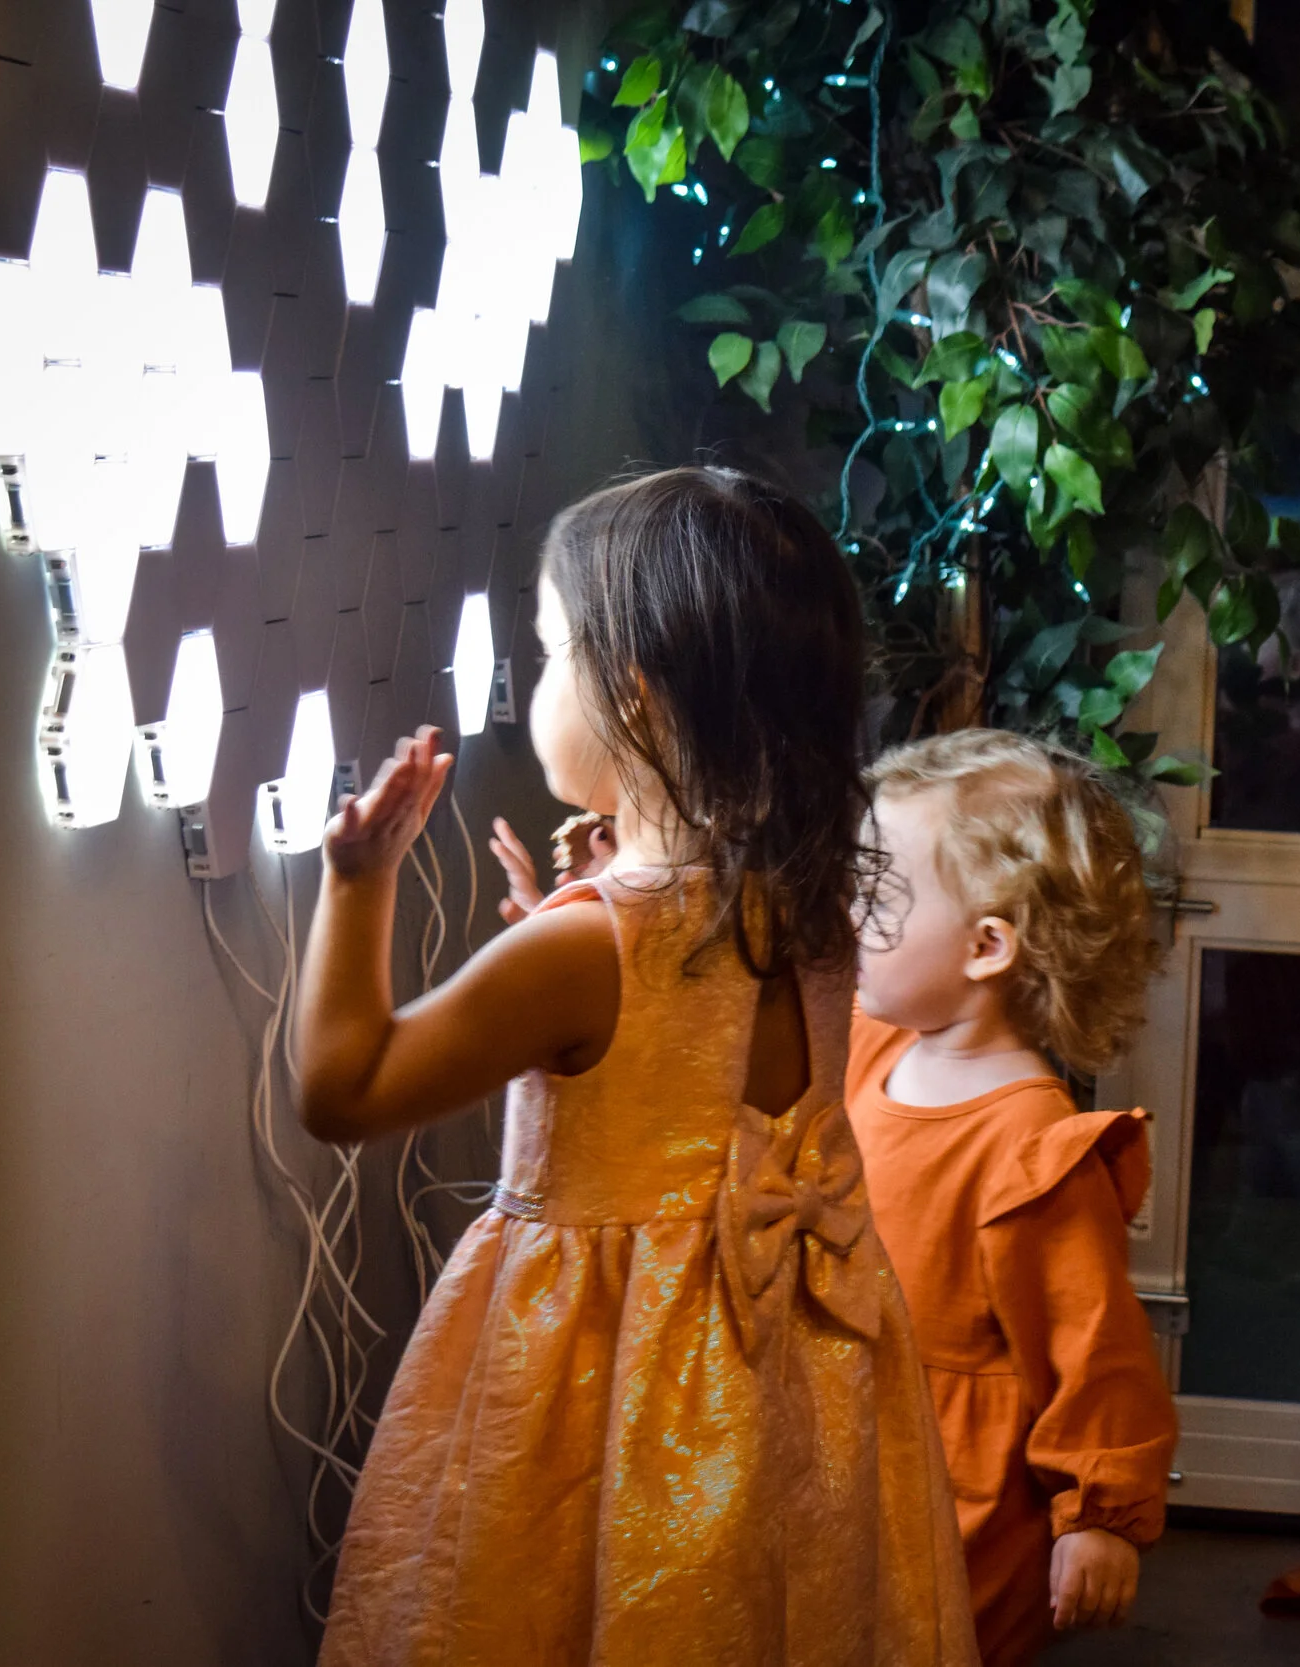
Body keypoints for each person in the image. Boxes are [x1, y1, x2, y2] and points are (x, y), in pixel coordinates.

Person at [295, 467, 977, 1665]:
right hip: (791, 1377)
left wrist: (359, 882)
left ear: (636, 693)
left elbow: (343, 1089)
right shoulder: (807, 910)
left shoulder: (587, 949)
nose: (536, 682)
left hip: (600, 1393)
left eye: (552, 650)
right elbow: (684, 1046)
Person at [847, 730, 1179, 1666]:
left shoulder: (1035, 1148)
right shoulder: (875, 1047)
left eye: (879, 894)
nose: (848, 911)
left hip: (960, 1501)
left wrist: (1100, 1514)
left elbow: (1095, 1350)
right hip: (846, 1447)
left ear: (987, 946)